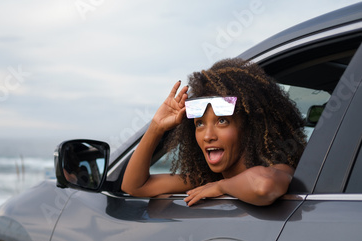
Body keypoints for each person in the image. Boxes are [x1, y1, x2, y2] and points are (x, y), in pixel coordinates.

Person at [121, 58, 306, 206]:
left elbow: (263, 186)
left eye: (222, 121)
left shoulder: (280, 168)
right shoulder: (206, 179)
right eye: (200, 124)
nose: (208, 136)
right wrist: (156, 127)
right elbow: (134, 186)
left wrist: (221, 187)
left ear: (249, 128)